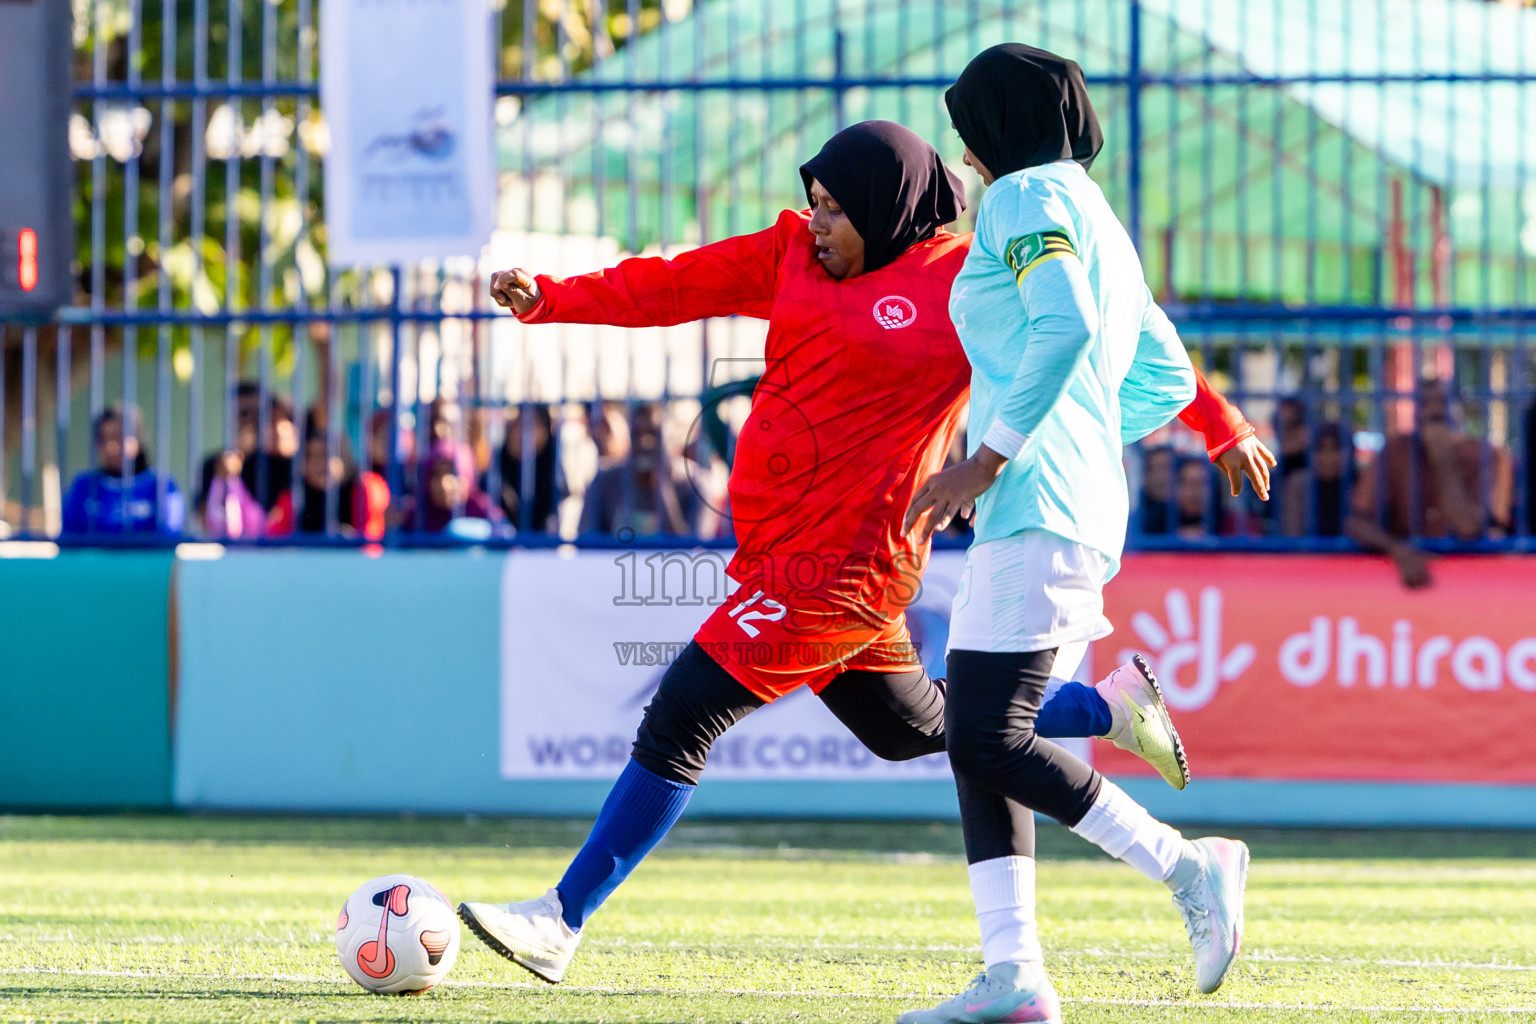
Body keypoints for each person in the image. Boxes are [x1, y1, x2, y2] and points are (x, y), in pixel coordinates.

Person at [457, 120, 1266, 989]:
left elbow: (1119, 328)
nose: (818, 223)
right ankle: (1101, 711)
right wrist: (552, 298)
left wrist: (1221, 428)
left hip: (848, 569)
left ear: (890, 209)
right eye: (814, 203)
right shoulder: (786, 254)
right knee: (903, 728)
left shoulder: (967, 279)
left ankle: (560, 918)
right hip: (779, 555)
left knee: (684, 712)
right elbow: (674, 284)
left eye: (836, 209)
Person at [898, 46, 1251, 1023]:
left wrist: (993, 453)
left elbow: (1063, 328)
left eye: (968, 125)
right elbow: (1164, 379)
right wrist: (1075, 430)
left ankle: (1190, 867)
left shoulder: (1023, 199)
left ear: (1000, 124)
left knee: (985, 733)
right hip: (1063, 494)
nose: (963, 149)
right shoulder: (1098, 216)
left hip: (1036, 495)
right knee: (978, 733)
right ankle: (1014, 977)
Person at [1346, 377, 1513, 588]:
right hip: (1405, 584)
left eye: (1443, 403)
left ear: (1460, 411)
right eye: (1425, 404)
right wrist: (1398, 550)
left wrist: (1442, 461)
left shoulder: (1484, 456)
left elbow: (1469, 528)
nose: (1434, 412)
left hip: (1471, 584)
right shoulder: (1395, 451)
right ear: (1414, 412)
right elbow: (1357, 522)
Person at [578, 401, 702, 538]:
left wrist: (662, 485)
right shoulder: (605, 481)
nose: (644, 443)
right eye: (637, 434)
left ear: (666, 436)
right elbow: (586, 542)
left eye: (652, 434)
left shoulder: (691, 482)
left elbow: (692, 548)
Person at [62, 403, 185, 538]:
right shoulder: (83, 486)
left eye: (118, 438)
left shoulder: (162, 485)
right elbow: (69, 536)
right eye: (104, 439)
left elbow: (169, 535)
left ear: (138, 440)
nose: (111, 447)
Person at [1280, 419, 1349, 537]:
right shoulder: (1299, 485)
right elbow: (1292, 536)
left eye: (1336, 449)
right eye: (1320, 449)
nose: (1328, 457)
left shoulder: (1360, 485)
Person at [498, 404, 559, 533]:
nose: (523, 433)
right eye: (519, 424)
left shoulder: (553, 473)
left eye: (533, 426)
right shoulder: (494, 472)